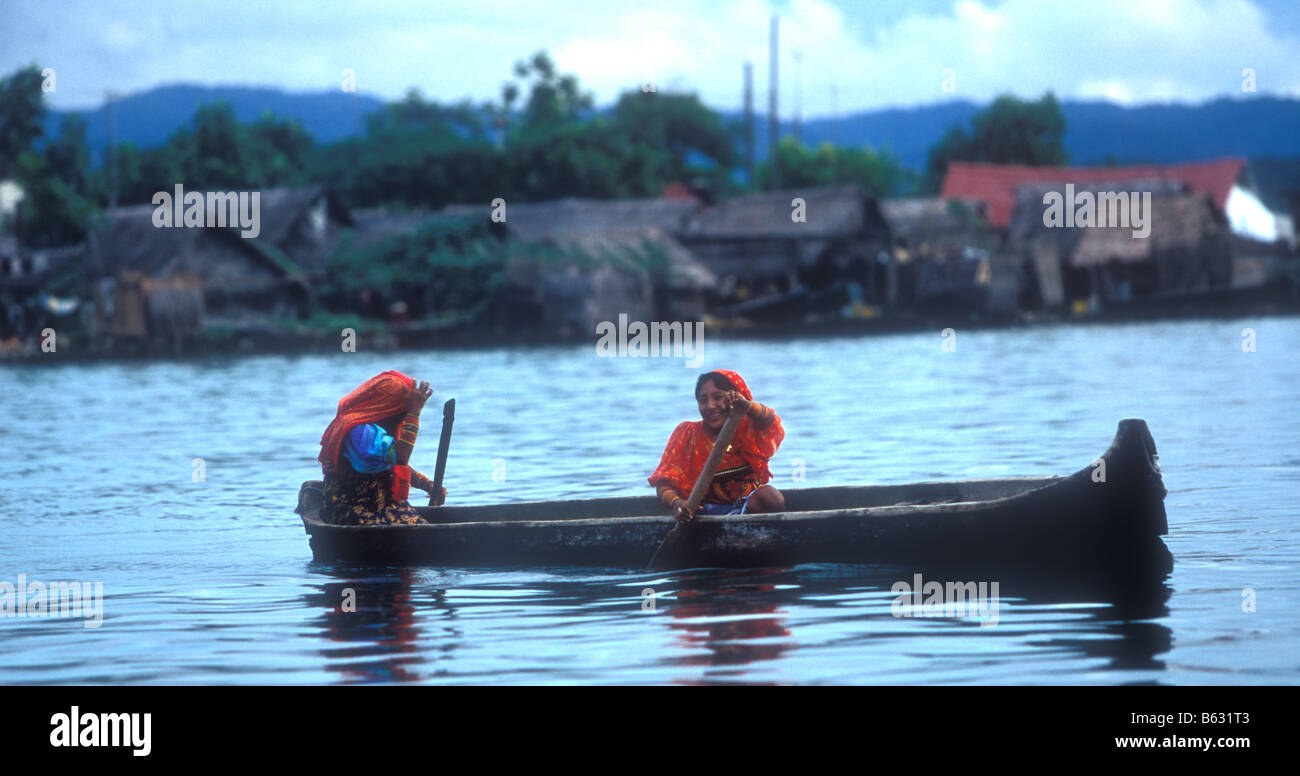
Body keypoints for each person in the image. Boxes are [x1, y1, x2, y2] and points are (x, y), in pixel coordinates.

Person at [648, 369, 785, 523]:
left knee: (771, 497)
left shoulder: (749, 428)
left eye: (718, 397)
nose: (710, 406)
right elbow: (663, 484)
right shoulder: (687, 434)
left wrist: (747, 406)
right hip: (704, 512)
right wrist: (677, 503)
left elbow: (770, 421)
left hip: (748, 507)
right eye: (703, 400)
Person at [317, 370, 447, 526]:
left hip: (380, 505)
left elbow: (390, 463)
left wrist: (428, 485)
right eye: (403, 409)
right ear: (388, 405)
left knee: (422, 526)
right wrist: (415, 413)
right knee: (418, 529)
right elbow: (400, 458)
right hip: (353, 509)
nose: (404, 416)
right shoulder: (360, 430)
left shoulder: (376, 428)